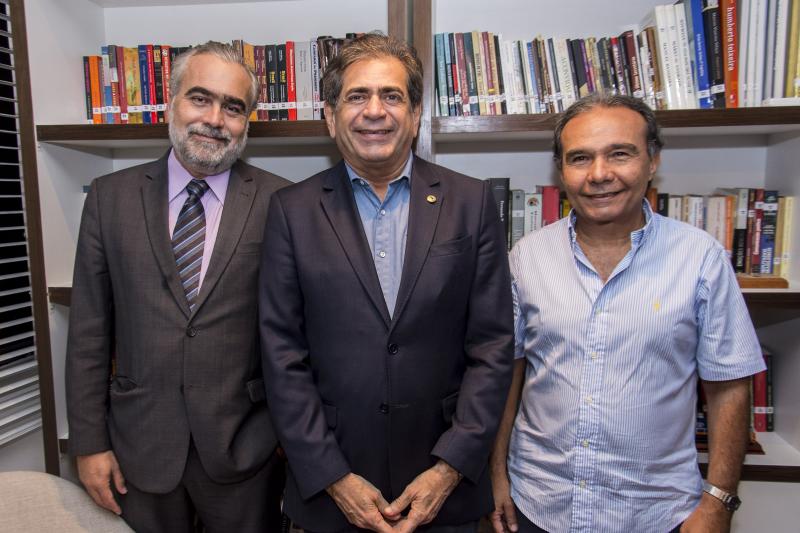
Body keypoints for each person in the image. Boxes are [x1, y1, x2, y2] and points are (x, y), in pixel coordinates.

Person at [259, 33, 514, 533]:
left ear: (415, 115)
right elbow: (281, 354)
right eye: (357, 96)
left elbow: (492, 347)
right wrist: (333, 477)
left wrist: (449, 467)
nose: (374, 111)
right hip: (331, 491)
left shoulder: (472, 202)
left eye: (391, 96)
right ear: (330, 117)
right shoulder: (291, 211)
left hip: (445, 488)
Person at [490, 94, 765, 533]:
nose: (600, 174)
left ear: (652, 161)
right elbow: (508, 373)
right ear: (561, 170)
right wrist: (497, 474)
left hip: (657, 514)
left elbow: (729, 387)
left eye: (620, 154)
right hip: (539, 506)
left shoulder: (700, 259)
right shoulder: (527, 257)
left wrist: (718, 503)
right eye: (580, 158)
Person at [65, 41, 289, 533]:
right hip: (138, 446)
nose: (214, 119)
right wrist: (89, 443)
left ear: (247, 121)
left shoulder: (282, 202)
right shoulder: (109, 198)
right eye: (200, 98)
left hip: (245, 450)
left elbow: (297, 334)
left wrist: (284, 435)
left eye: (233, 107)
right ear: (171, 102)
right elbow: (88, 332)